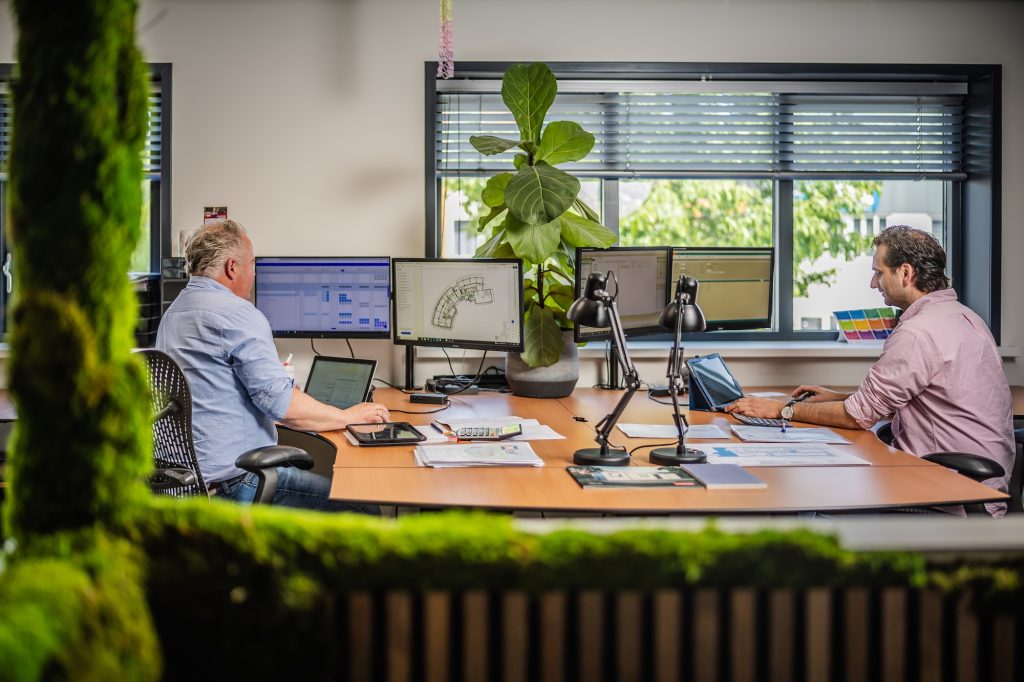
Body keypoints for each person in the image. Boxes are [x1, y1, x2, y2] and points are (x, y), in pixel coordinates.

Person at [726, 226, 1014, 515]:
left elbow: (857, 416)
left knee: (813, 501)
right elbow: (921, 394)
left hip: (945, 497)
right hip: (979, 490)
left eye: (879, 272)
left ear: (905, 273)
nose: (873, 283)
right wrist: (838, 397)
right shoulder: (965, 317)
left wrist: (781, 410)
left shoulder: (918, 333)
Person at [156, 220, 390, 512]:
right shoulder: (237, 313)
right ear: (233, 268)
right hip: (236, 484)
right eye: (252, 264)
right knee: (362, 505)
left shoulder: (174, 312)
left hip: (186, 486)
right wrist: (348, 416)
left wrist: (269, 384)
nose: (254, 274)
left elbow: (208, 389)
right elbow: (287, 409)